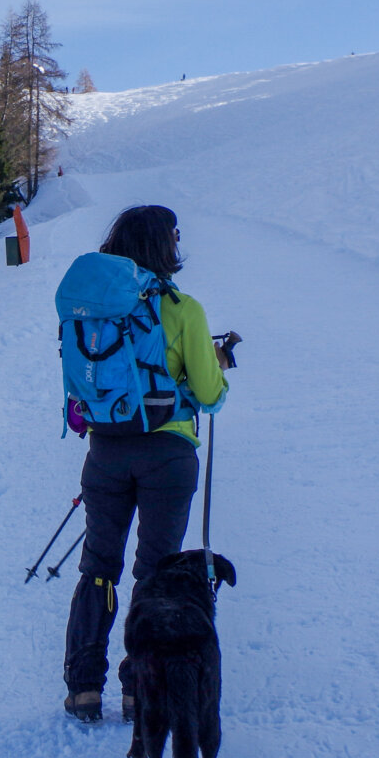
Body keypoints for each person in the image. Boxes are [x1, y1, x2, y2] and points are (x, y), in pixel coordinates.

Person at [63, 205, 229, 723]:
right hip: (168, 455)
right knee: (154, 571)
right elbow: (207, 393)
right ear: (164, 245)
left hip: (106, 450)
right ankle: (139, 689)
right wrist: (219, 374)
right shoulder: (183, 309)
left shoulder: (93, 310)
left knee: (98, 567)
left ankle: (83, 687)